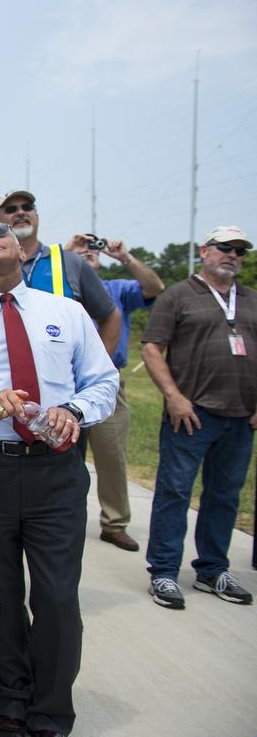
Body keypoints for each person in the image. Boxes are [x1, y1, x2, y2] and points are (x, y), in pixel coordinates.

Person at [0, 219, 118, 737]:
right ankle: (9, 704)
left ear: (20, 251)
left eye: (2, 232)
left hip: (55, 470)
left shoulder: (67, 313)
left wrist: (74, 409)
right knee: (0, 594)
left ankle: (52, 711)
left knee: (57, 595)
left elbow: (104, 381)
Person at [141, 226, 255, 610]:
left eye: (240, 251)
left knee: (225, 495)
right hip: (192, 413)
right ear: (205, 251)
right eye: (225, 248)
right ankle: (164, 571)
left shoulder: (252, 299)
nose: (232, 255)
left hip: (241, 416)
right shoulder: (178, 296)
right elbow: (153, 348)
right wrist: (174, 397)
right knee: (174, 491)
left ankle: (212, 569)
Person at [66, 233, 165, 552]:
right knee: (64, 455)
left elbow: (155, 288)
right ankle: (64, 517)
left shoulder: (117, 288)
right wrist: (67, 255)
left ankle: (114, 522)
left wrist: (125, 257)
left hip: (106, 381)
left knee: (111, 454)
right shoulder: (62, 287)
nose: (87, 254)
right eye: (82, 250)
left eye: (92, 250)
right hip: (63, 382)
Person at [0, 191, 121, 358]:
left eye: (27, 207)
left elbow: (110, 316)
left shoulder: (72, 263)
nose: (20, 213)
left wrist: (95, 368)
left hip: (63, 377)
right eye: (11, 209)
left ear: (37, 215)